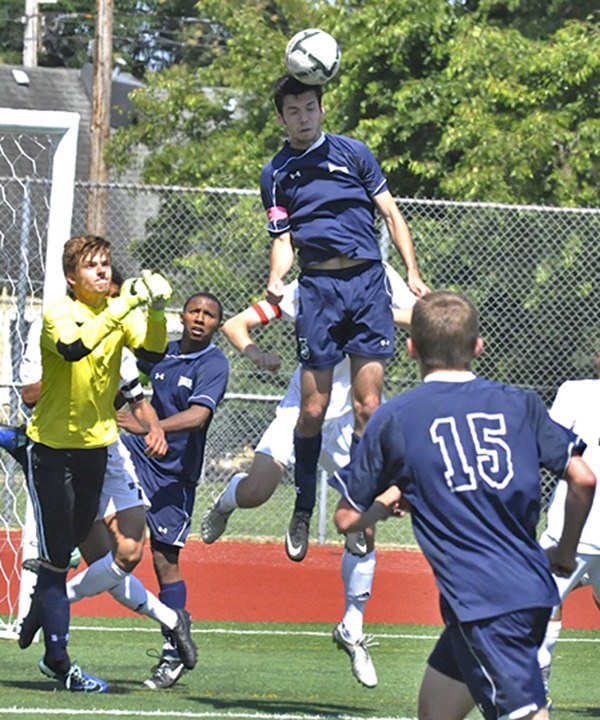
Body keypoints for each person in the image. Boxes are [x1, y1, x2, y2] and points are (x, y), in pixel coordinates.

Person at [330, 290, 595, 720]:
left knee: (525, 714)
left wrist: (386, 502)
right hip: (512, 590)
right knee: (435, 710)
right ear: (478, 346)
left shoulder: (396, 417)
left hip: (485, 601)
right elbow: (582, 477)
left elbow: (346, 518)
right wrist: (565, 552)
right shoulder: (519, 403)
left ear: (411, 347)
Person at [201, 262, 415, 688]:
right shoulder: (306, 285)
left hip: (355, 416)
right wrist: (256, 354)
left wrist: (372, 308)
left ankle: (352, 628)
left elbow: (420, 315)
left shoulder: (381, 275)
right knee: (258, 490)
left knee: (363, 522)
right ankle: (227, 498)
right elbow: (237, 323)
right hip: (302, 408)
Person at [261, 73, 429, 562]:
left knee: (368, 407)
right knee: (312, 411)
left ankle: (355, 505)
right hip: (318, 290)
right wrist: (276, 278)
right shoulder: (275, 172)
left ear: (321, 109)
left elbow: (393, 215)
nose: (303, 116)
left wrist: (413, 274)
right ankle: (303, 503)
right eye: (293, 110)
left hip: (367, 286)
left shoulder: (354, 153)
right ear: (281, 117)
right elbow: (282, 239)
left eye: (309, 107)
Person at [16, 271, 197, 681]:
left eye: (117, 298)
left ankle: (44, 607)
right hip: (65, 452)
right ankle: (170, 619)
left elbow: (136, 395)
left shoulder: (118, 333)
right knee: (105, 566)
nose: (114, 307)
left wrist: (152, 426)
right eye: (109, 298)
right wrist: (78, 375)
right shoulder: (51, 325)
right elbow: (28, 394)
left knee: (130, 552)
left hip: (108, 452)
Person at [119, 291, 229, 690]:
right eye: (195, 311)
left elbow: (199, 417)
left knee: (164, 560)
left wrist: (152, 428)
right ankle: (69, 546)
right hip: (138, 454)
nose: (200, 318)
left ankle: (172, 648)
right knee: (96, 469)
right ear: (182, 316)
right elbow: (127, 387)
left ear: (218, 324)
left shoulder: (214, 362)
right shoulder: (158, 352)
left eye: (209, 315)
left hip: (174, 475)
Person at [537, 352, 600, 705]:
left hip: (578, 527)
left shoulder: (575, 391)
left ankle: (537, 686)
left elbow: (548, 449)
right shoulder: (575, 391)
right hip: (579, 525)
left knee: (542, 598)